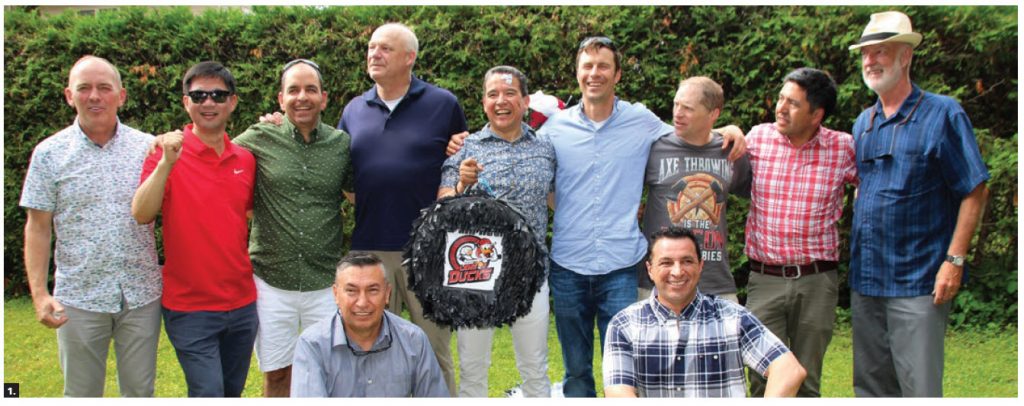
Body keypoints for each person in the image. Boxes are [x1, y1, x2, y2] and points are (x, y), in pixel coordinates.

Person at [532, 36, 745, 397]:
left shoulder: (642, 122)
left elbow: (691, 134)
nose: (594, 73)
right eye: (587, 66)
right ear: (577, 73)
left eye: (603, 66)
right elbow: (543, 185)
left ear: (617, 75)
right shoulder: (554, 129)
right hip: (567, 265)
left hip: (620, 267)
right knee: (576, 372)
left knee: (629, 369)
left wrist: (728, 130)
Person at [848, 11, 989, 397]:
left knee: (920, 391)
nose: (870, 61)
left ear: (905, 56)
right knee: (871, 390)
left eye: (881, 51)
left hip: (918, 281)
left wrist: (954, 260)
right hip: (866, 282)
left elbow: (974, 189)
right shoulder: (864, 122)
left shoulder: (943, 113)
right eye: (865, 53)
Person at [19, 55, 162, 397]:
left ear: (121, 95)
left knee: (140, 393)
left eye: (104, 88)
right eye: (84, 88)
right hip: (80, 297)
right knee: (81, 394)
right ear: (70, 95)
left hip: (141, 295)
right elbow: (37, 227)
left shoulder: (148, 148)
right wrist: (40, 295)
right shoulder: (49, 154)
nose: (94, 96)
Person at [336, 22, 467, 394]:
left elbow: (461, 163)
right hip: (370, 251)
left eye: (385, 49)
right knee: (372, 349)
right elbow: (344, 178)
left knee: (434, 349)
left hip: (429, 250)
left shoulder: (443, 104)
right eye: (371, 47)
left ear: (409, 58)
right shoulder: (353, 109)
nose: (374, 54)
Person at [132, 61, 258, 397]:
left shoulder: (245, 159)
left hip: (243, 304)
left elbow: (244, 215)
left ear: (232, 102)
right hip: (190, 307)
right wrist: (165, 165)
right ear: (186, 101)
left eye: (218, 95)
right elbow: (141, 213)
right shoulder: (166, 154)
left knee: (231, 393)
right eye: (199, 95)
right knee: (208, 392)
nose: (208, 102)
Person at [232, 59, 354, 397]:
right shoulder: (258, 137)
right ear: (280, 98)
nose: (302, 97)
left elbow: (360, 193)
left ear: (324, 98)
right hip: (271, 280)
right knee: (277, 375)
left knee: (329, 374)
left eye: (310, 90)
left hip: (323, 282)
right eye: (294, 90)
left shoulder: (341, 144)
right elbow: (215, 160)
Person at [438, 66, 554, 397]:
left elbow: (557, 198)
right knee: (473, 369)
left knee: (534, 368)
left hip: (529, 271)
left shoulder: (545, 147)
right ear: (483, 102)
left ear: (526, 100)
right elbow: (443, 202)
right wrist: (462, 183)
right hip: (475, 270)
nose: (500, 101)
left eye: (509, 93)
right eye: (492, 95)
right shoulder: (464, 147)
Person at [742, 67, 857, 397]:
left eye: (792, 103)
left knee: (806, 380)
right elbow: (713, 144)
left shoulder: (843, 148)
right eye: (781, 98)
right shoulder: (758, 138)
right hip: (765, 280)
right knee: (763, 377)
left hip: (816, 281)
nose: (780, 107)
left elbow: (879, 185)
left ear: (816, 114)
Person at [603, 226, 806, 397]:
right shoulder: (624, 324)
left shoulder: (734, 317)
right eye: (666, 262)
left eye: (687, 261)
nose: (677, 271)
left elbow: (789, 370)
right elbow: (618, 393)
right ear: (650, 270)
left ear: (700, 266)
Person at [640, 76, 751, 303]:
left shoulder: (731, 152)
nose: (678, 113)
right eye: (676, 104)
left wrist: (732, 130)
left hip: (715, 283)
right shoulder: (654, 149)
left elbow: (759, 197)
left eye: (688, 108)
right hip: (658, 282)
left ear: (713, 114)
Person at [291, 252, 449, 397]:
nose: (362, 302)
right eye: (351, 291)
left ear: (387, 294)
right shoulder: (313, 344)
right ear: (336, 294)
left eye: (372, 290)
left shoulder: (414, 340)